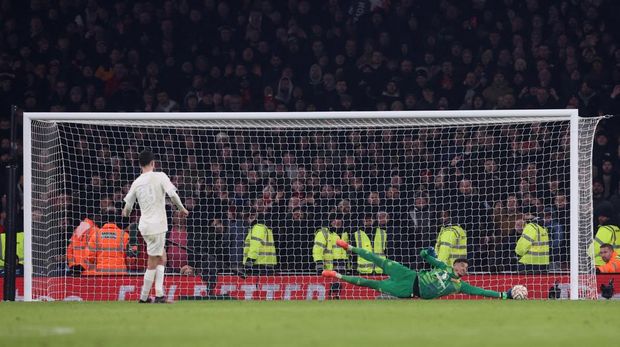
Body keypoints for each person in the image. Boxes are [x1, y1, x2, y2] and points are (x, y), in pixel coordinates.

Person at [322, 240, 516, 299]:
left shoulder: (459, 286)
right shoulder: (443, 266)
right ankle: (349, 247)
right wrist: (428, 251)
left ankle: (337, 274)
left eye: (466, 269)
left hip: (408, 291)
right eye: (463, 266)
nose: (464, 270)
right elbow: (424, 255)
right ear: (456, 265)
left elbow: (480, 291)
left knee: (371, 283)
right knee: (380, 260)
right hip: (409, 274)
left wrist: (502, 295)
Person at [123, 150, 189, 303]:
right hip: (157, 225)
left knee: (162, 257)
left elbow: (127, 207)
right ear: (153, 163)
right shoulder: (160, 176)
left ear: (140, 165)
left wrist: (126, 213)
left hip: (145, 226)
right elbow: (172, 194)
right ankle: (146, 297)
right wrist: (181, 209)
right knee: (154, 259)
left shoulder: (136, 182)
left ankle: (158, 294)